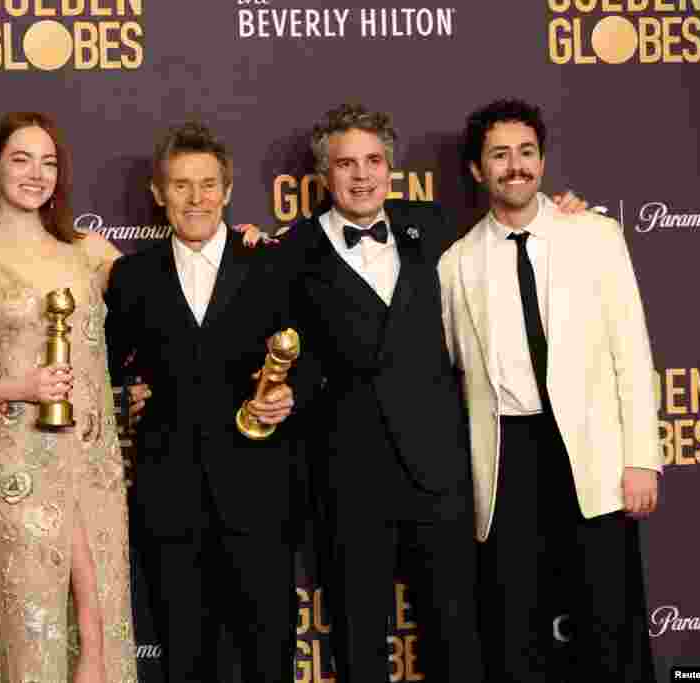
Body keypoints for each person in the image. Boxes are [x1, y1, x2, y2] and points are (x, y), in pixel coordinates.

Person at [438, 98, 660, 682]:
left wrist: (641, 459)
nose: (516, 166)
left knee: (612, 620)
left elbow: (632, 356)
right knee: (515, 626)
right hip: (510, 459)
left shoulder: (595, 235)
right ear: (476, 170)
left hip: (592, 452)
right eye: (500, 155)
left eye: (527, 153)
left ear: (543, 160)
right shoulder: (455, 264)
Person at [272, 103, 484, 682]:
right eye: (346, 164)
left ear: (390, 166)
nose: (361, 175)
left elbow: (508, 240)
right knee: (358, 637)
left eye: (372, 161)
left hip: (437, 472)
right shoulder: (289, 253)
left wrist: (562, 216)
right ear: (324, 174)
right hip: (347, 477)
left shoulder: (436, 227)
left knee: (455, 634)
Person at [103, 121, 316, 683]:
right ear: (158, 194)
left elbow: (317, 358)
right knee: (184, 658)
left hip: (261, 495)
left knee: (267, 656)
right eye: (180, 185)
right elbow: (111, 366)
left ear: (227, 190)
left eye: (206, 185)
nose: (195, 198)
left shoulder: (271, 263)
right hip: (169, 498)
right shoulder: (130, 277)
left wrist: (292, 393)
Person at [0, 112, 137, 683]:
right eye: (21, 159)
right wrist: (17, 388)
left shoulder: (90, 253)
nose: (36, 173)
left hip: (95, 461)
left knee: (105, 612)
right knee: (34, 624)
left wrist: (239, 248)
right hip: (20, 461)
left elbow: (166, 300)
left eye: (48, 162)